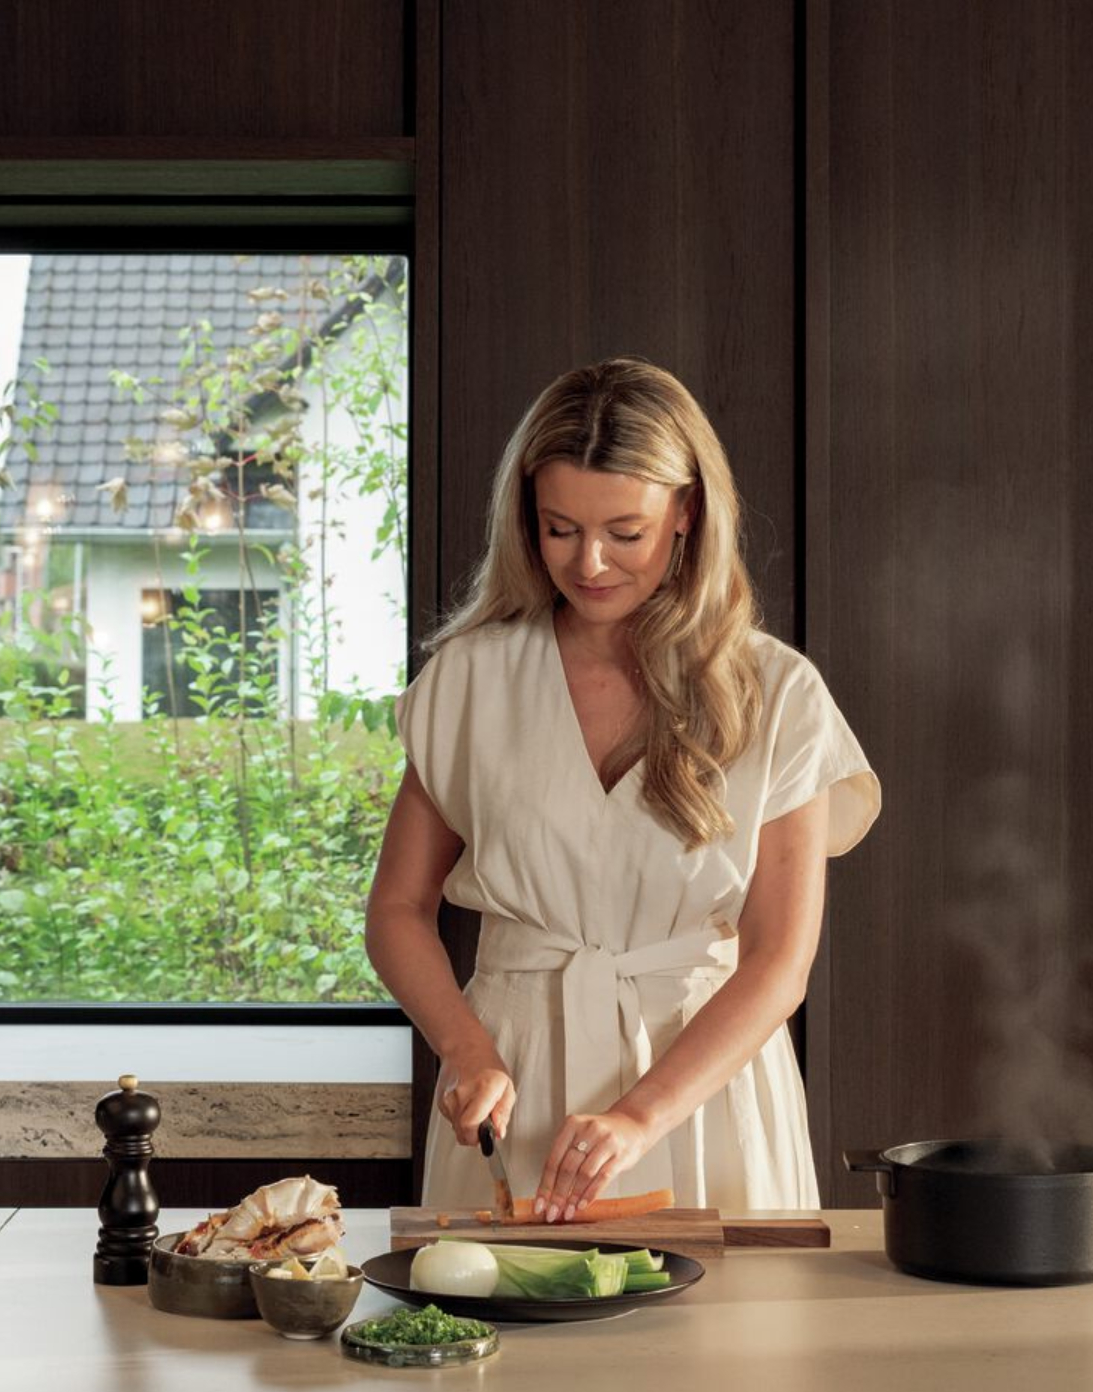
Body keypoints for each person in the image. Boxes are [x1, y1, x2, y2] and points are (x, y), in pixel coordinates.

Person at [365, 357, 880, 1222]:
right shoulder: (470, 681)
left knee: (727, 1315)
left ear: (687, 513)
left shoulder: (777, 692)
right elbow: (396, 910)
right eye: (560, 529)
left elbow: (778, 962)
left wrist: (642, 1115)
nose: (590, 562)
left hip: (704, 1086)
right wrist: (467, 1050)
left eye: (624, 532)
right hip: (515, 1083)